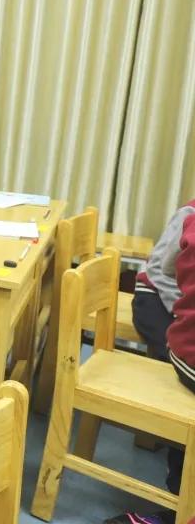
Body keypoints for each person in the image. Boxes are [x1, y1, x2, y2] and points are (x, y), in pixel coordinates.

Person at [108, 200, 195, 524]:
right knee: (172, 360)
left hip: (180, 306)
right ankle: (171, 441)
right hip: (155, 296)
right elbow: (160, 272)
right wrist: (180, 313)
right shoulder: (190, 214)